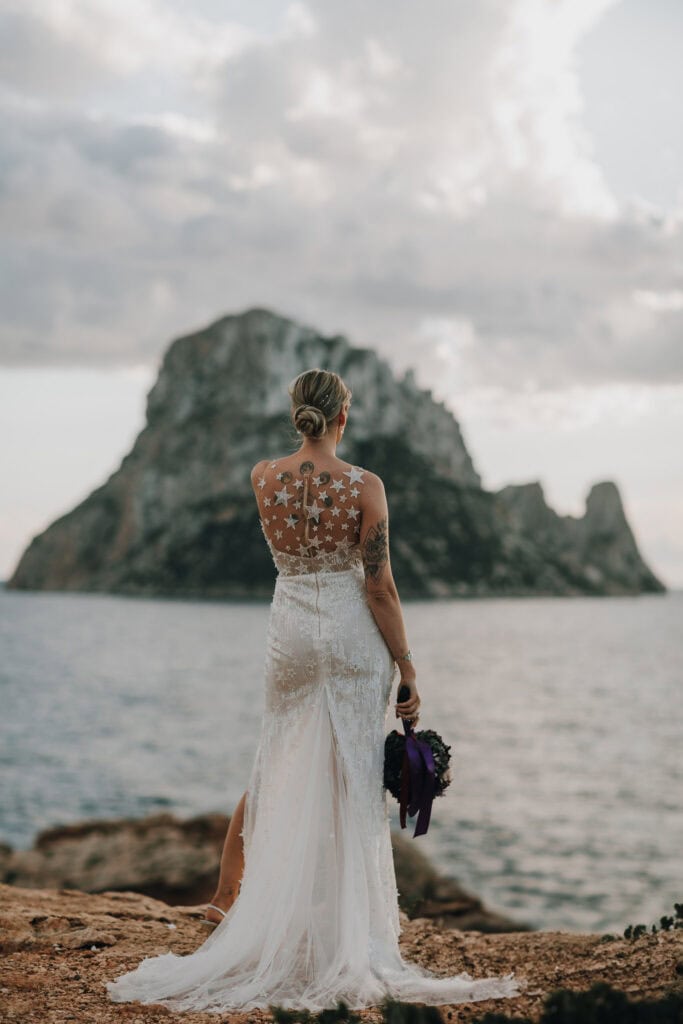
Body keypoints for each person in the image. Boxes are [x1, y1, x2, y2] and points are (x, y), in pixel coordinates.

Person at [106, 368, 524, 1012]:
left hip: (291, 629)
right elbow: (378, 585)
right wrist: (408, 665)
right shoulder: (366, 486)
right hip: (353, 636)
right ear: (343, 417)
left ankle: (229, 897)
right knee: (352, 771)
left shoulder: (261, 477)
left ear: (296, 414)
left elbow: (294, 555)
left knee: (279, 757)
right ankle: (345, 932)